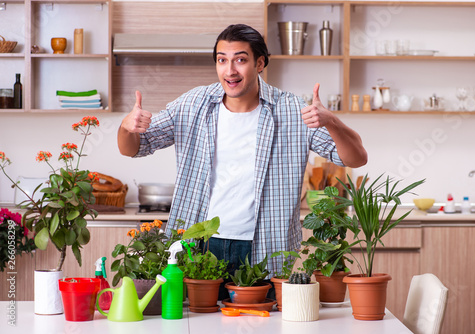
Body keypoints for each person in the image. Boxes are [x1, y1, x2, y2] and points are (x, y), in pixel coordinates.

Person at [118, 24, 367, 281]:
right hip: (200, 243)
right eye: (222, 60)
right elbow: (134, 148)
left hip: (264, 247)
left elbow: (356, 157)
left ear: (259, 64)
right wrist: (127, 128)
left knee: (264, 319)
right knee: (196, 321)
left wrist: (331, 122)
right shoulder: (193, 105)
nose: (230, 70)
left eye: (240, 60)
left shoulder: (292, 110)